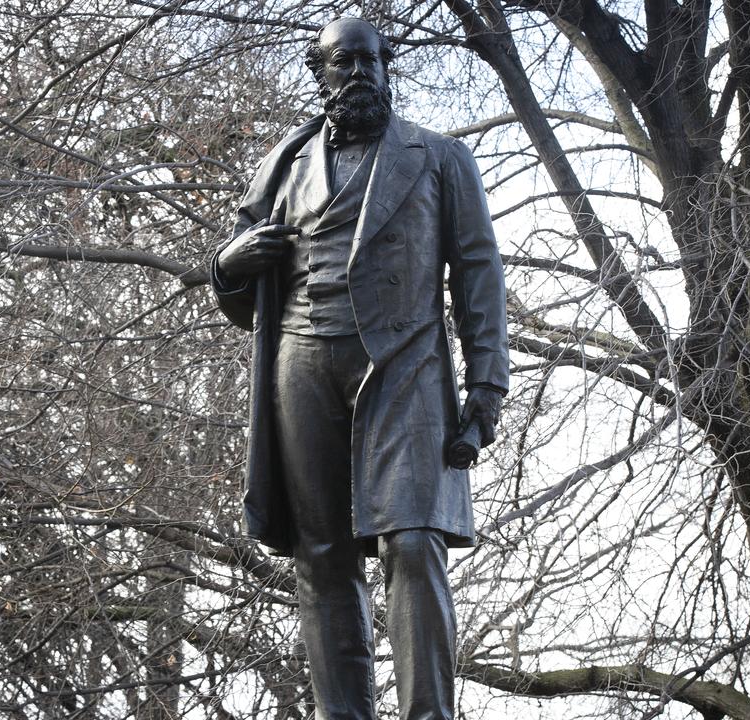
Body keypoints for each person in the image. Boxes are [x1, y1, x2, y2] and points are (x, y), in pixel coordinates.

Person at [209, 17, 510, 720]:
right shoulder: (283, 167)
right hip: (303, 363)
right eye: (346, 62)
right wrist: (226, 265)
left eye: (374, 60)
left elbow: (478, 275)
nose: (363, 73)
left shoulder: (439, 158)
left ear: (387, 66)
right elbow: (240, 285)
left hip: (404, 367)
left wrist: (486, 386)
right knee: (322, 555)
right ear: (319, 72)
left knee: (412, 541)